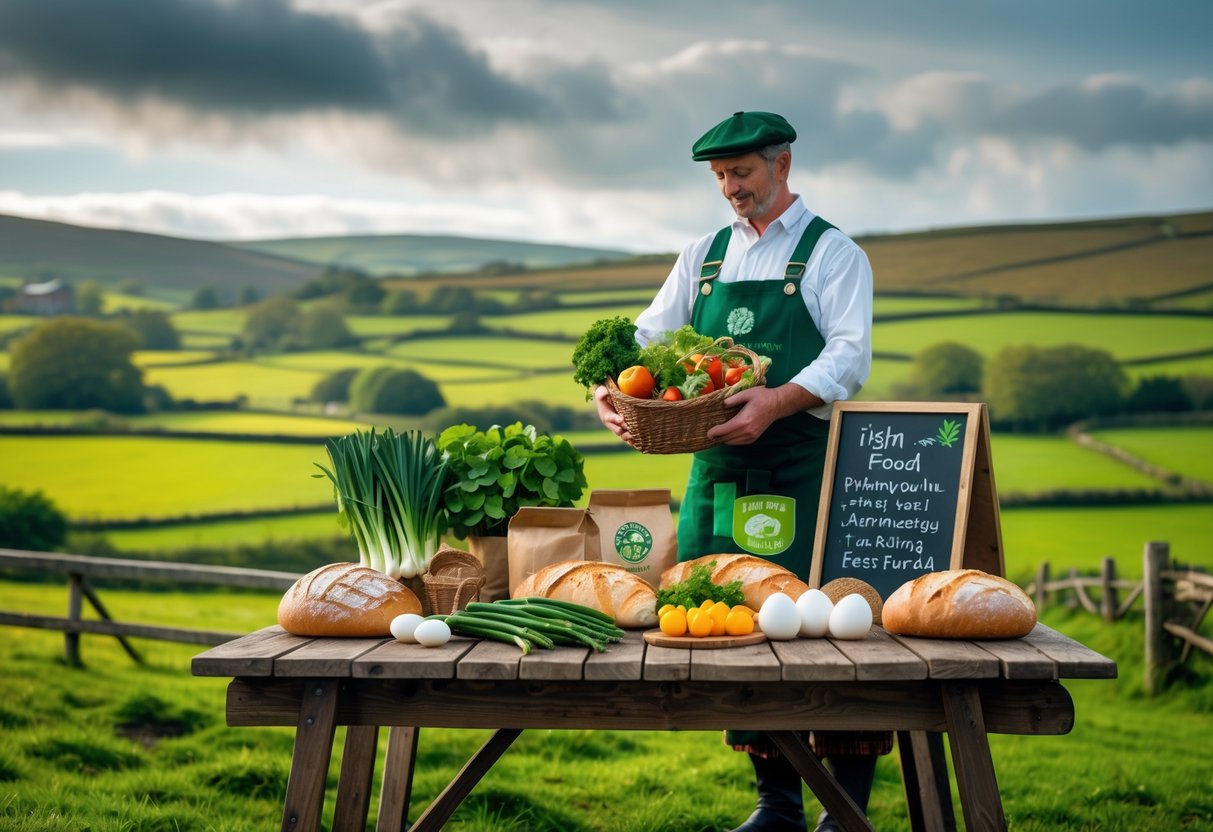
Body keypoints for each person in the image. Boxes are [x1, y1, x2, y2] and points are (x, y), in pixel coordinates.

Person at [594, 111, 885, 832]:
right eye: (720, 176)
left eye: (742, 173)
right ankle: (776, 804)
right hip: (720, 466)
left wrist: (778, 400)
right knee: (729, 627)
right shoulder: (705, 255)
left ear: (782, 165)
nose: (730, 188)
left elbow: (847, 356)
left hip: (804, 464)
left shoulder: (831, 253)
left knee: (828, 631)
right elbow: (648, 335)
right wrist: (607, 385)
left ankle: (840, 811)